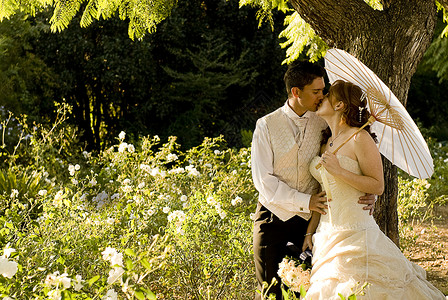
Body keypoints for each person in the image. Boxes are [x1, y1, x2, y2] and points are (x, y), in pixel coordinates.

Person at [303, 79, 447, 299]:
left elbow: (377, 185)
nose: (322, 97)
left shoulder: (360, 138)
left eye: (328, 93)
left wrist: (340, 171)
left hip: (356, 233)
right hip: (326, 234)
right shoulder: (327, 141)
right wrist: (310, 231)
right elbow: (324, 193)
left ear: (340, 105)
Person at [250, 61, 376, 299]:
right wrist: (306, 201)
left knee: (310, 290)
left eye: (323, 91)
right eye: (316, 92)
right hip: (273, 220)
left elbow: (353, 153)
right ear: (296, 92)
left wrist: (370, 192)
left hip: (313, 225)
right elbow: (264, 182)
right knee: (269, 291)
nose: (322, 96)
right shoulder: (265, 125)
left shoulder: (325, 119)